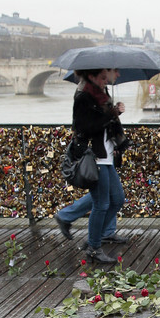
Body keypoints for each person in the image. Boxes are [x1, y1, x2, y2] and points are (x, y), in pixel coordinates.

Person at [54, 69, 129, 247]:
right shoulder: (84, 97)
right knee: (102, 203)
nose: (107, 80)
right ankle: (94, 244)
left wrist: (114, 114)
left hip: (107, 155)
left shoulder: (101, 94)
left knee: (115, 199)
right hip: (96, 157)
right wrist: (110, 115)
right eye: (103, 77)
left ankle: (98, 235)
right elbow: (85, 127)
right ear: (93, 77)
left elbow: (104, 124)